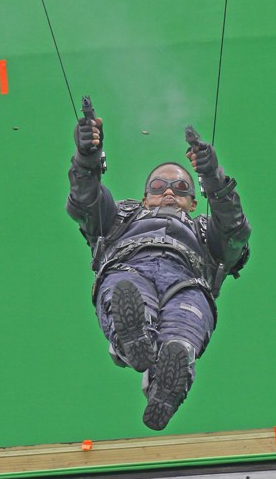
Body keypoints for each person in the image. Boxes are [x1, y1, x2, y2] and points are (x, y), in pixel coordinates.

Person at [66, 115, 250, 430]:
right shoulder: (122, 215)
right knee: (127, 292)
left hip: (188, 280)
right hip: (130, 265)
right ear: (145, 198)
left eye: (180, 187)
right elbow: (85, 201)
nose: (168, 192)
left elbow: (235, 233)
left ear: (194, 202)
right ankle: (133, 340)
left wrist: (213, 177)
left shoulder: (206, 230)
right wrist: (87, 156)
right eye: (158, 186)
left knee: (180, 339)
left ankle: (164, 389)